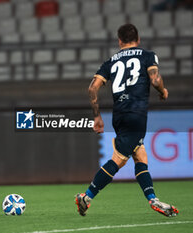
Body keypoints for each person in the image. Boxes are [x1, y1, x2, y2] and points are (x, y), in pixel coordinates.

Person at [75, 24, 179, 217]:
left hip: (119, 115)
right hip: (137, 113)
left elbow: (92, 88)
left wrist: (97, 116)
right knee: (119, 160)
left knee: (140, 154)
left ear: (119, 41)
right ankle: (87, 196)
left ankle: (153, 199)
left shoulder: (110, 62)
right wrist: (163, 92)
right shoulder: (147, 55)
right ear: (138, 39)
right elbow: (155, 80)